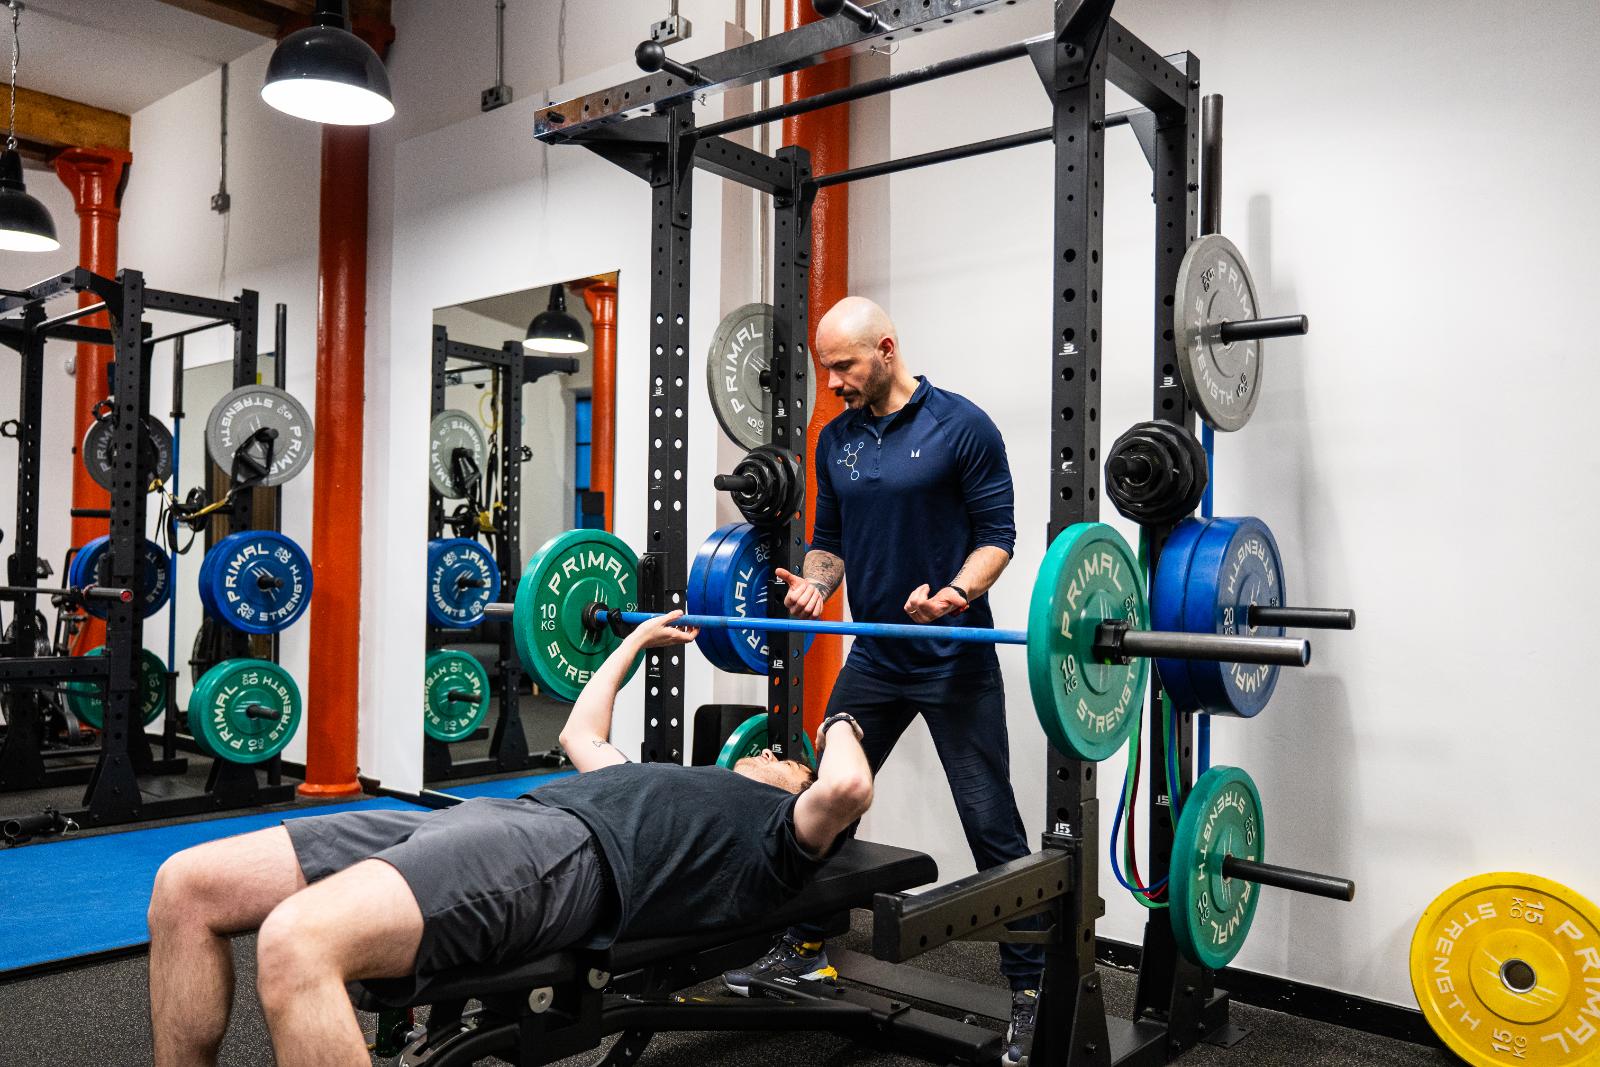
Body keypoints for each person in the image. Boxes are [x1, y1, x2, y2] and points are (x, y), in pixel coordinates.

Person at [146, 612, 873, 1067]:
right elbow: (579, 732)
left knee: (296, 942)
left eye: (788, 759)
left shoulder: (776, 834)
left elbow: (844, 790)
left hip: (563, 858)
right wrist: (637, 643)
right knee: (186, 884)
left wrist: (841, 723)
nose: (772, 753)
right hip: (490, 820)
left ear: (796, 785)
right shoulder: (662, 781)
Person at [721, 295, 1042, 1066]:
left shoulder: (962, 426)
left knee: (991, 824)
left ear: (888, 348)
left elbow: (999, 536)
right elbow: (829, 542)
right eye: (825, 368)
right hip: (875, 656)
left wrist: (956, 594)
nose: (831, 382)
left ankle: (1034, 991)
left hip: (955, 654)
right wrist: (818, 584)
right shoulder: (835, 437)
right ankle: (802, 943)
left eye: (844, 365)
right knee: (827, 796)